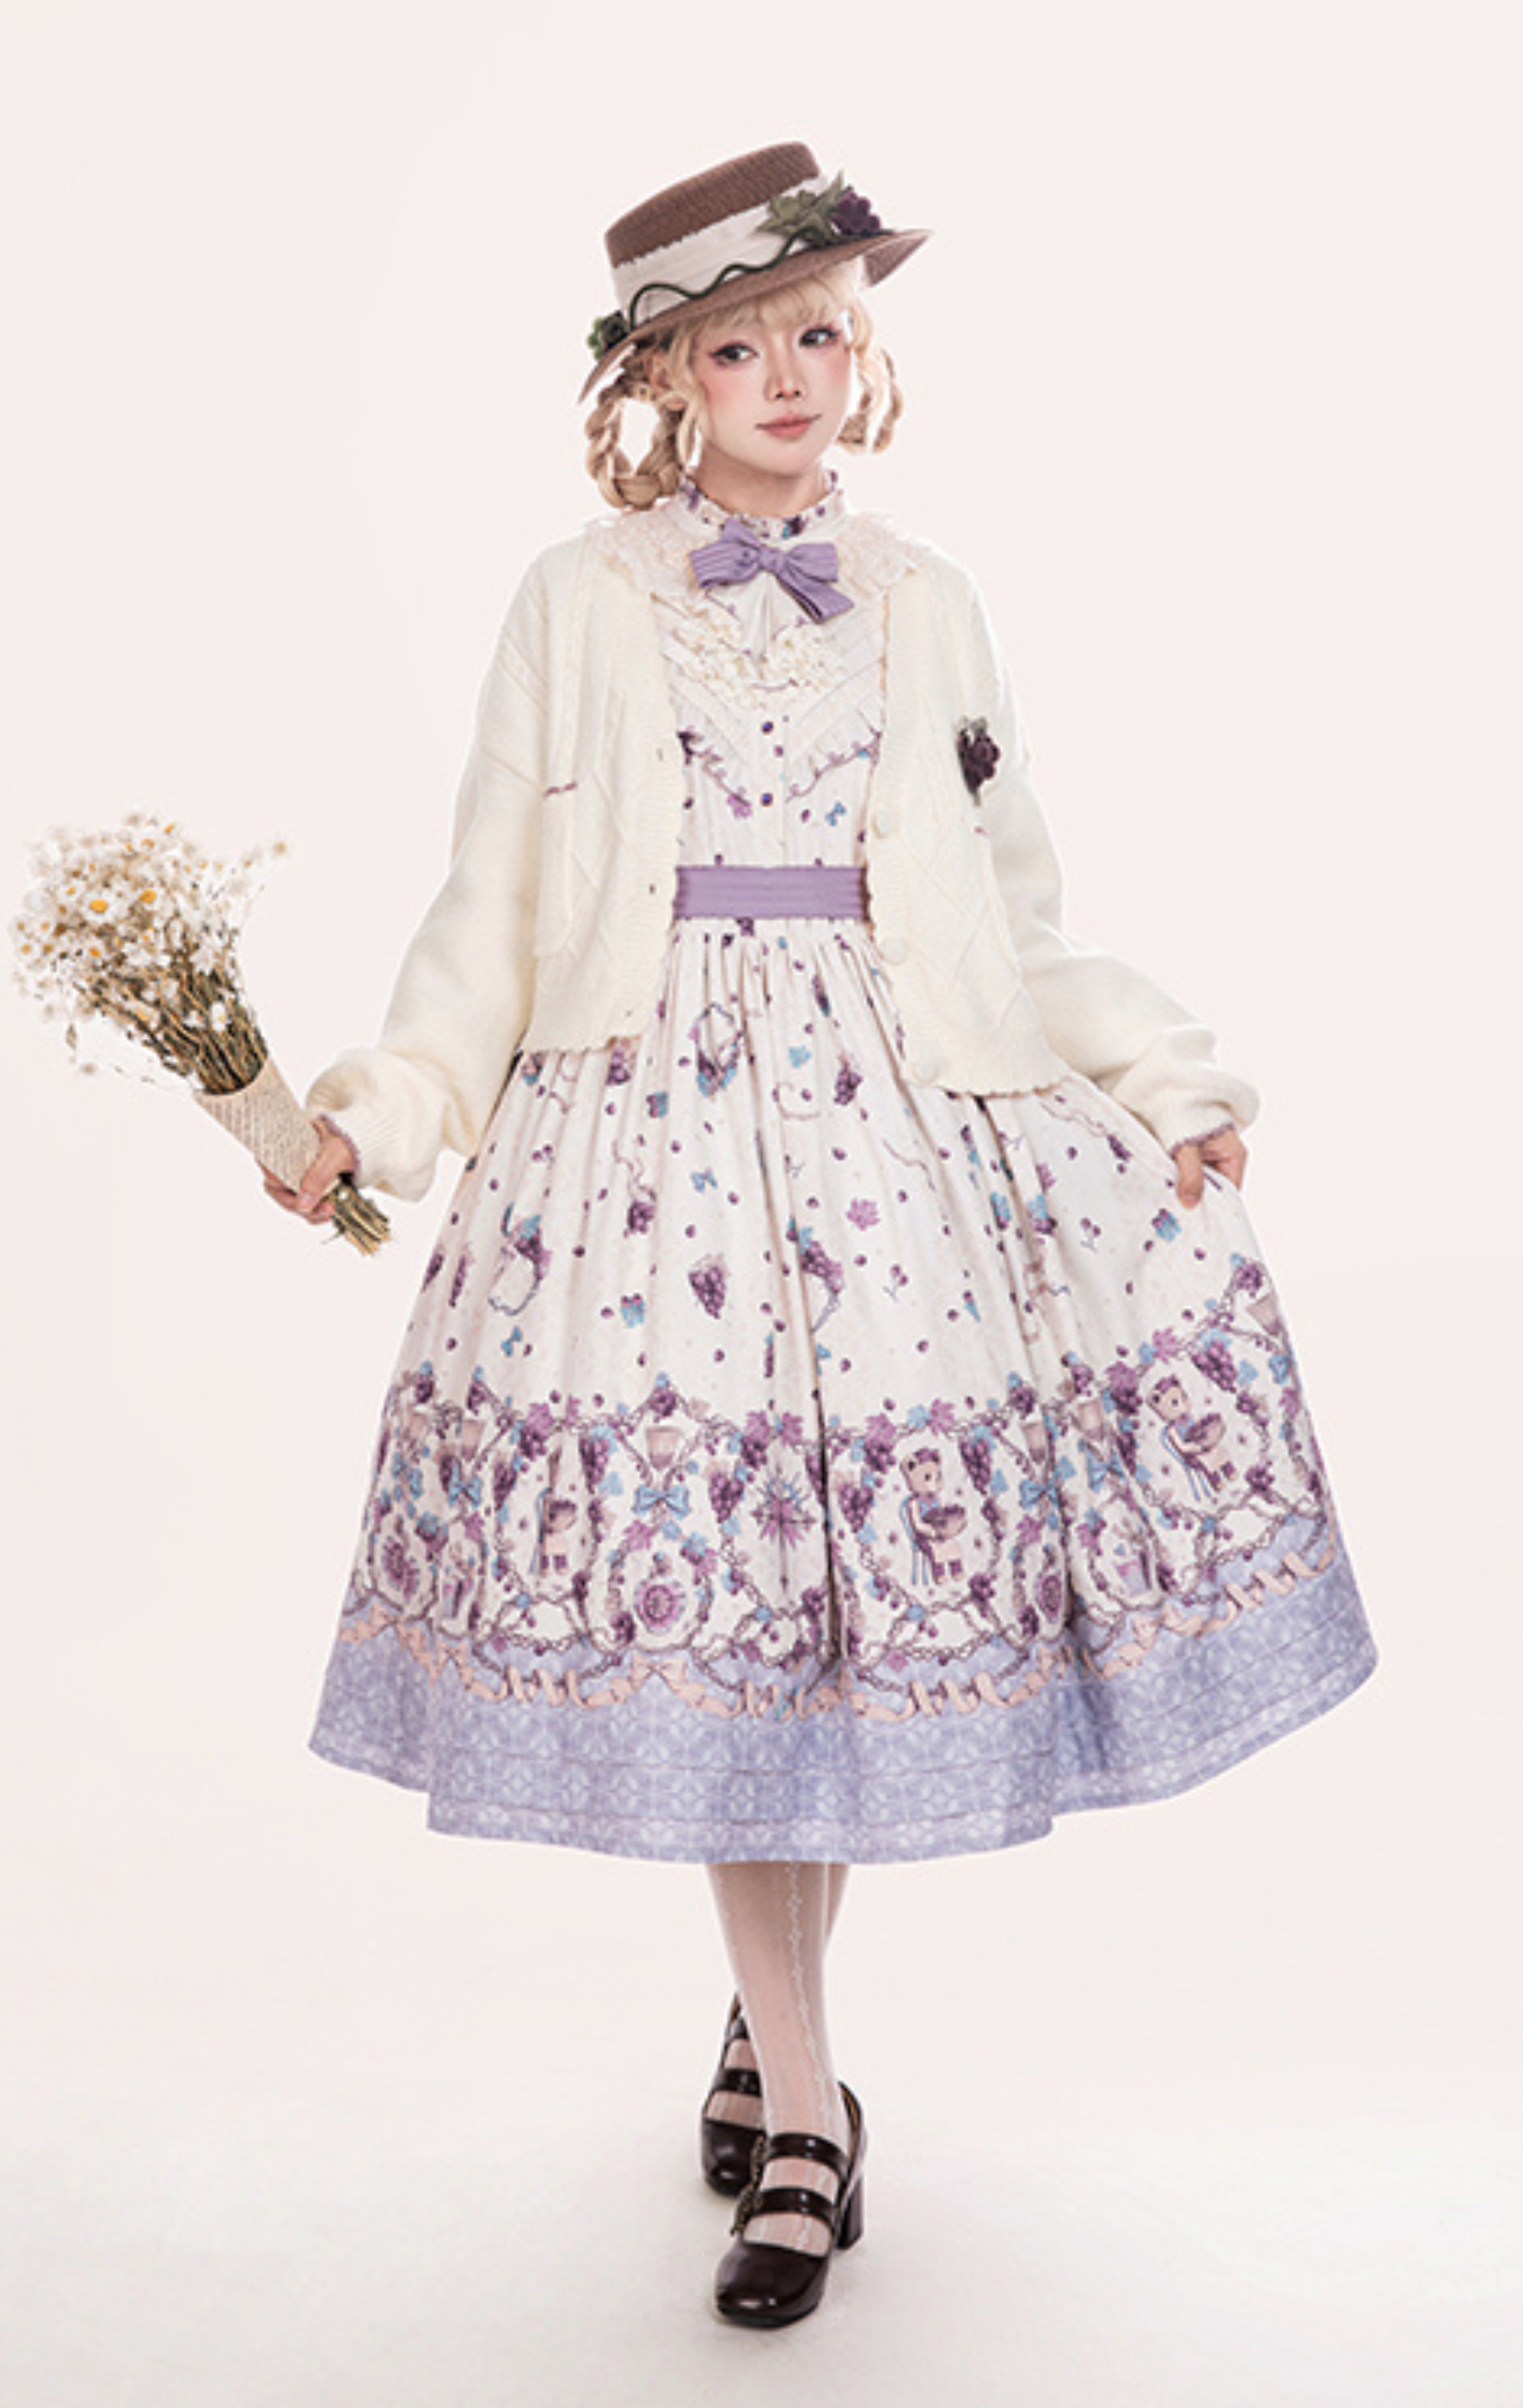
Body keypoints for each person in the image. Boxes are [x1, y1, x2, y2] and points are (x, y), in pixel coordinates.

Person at [264, 143, 1377, 2330]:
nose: (793, 369)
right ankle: (809, 2104)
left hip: (884, 1154)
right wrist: (369, 1119)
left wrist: (1168, 1081)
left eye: (825, 329)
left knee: (836, 1629)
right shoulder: (576, 602)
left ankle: (776, 2049)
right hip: (646, 1145)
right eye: (742, 342)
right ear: (661, 378)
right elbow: (486, 915)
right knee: (736, 1625)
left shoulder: (926, 598)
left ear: (867, 355)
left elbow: (1010, 907)